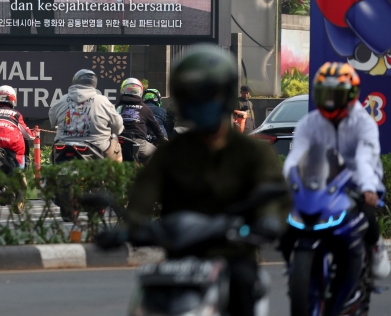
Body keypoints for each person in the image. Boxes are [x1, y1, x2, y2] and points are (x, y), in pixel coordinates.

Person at [127, 45, 290, 316]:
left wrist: (268, 221)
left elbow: (273, 194)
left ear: (225, 97)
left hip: (234, 254)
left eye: (209, 95)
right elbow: (143, 194)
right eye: (193, 96)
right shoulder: (170, 153)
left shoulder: (254, 151)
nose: (201, 104)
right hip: (180, 260)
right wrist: (132, 225)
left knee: (244, 285)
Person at [282, 62, 390, 278]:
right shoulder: (308, 123)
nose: (330, 101)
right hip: (321, 179)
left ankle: (376, 246)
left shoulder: (364, 123)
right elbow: (295, 157)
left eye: (336, 95)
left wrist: (368, 187)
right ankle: (294, 266)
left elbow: (364, 159)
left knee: (365, 214)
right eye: (325, 94)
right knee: (291, 226)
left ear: (351, 95)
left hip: (358, 178)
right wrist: (287, 181)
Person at [49, 69, 124, 161]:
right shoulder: (103, 101)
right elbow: (118, 128)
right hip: (97, 149)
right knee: (116, 147)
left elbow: (52, 122)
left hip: (63, 148)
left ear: (75, 81)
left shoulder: (62, 100)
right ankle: (114, 175)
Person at [116, 78, 167, 162]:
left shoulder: (117, 106)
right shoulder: (144, 108)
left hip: (118, 142)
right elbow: (156, 128)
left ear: (122, 89)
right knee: (159, 155)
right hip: (138, 143)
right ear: (140, 91)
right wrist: (162, 139)